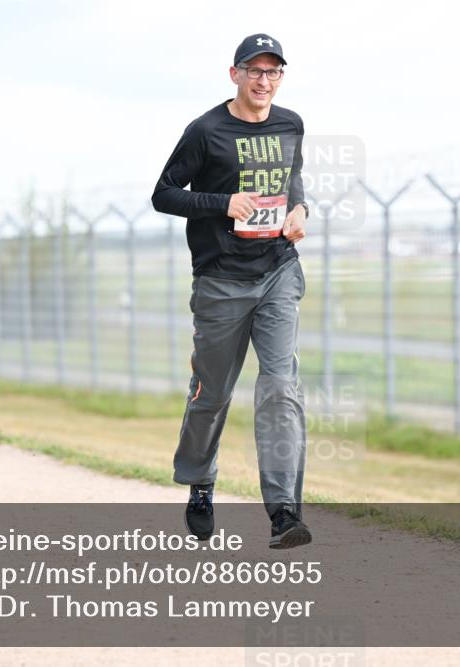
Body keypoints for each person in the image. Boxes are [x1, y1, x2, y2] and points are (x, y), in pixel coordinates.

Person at [152, 33, 312, 549]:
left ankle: (284, 511)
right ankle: (201, 481)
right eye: (255, 71)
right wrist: (223, 203)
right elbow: (164, 194)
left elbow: (294, 181)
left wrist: (299, 211)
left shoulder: (291, 124)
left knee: (282, 385)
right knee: (212, 395)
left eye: (274, 72)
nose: (264, 81)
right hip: (221, 280)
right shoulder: (205, 130)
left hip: (277, 272)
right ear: (235, 74)